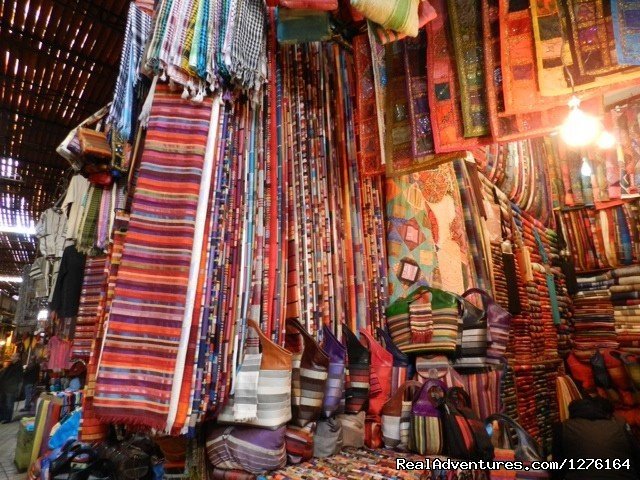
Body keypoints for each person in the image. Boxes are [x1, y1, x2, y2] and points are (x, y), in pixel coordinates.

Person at [552, 396, 640, 479]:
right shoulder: (620, 425)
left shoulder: (563, 427)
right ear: (608, 412)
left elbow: (558, 467)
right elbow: (637, 458)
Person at [0, 353, 24, 423]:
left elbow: (18, 379)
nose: (11, 357)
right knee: (2, 403)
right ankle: (2, 417)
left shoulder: (19, 366)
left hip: (10, 389)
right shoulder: (11, 365)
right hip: (4, 387)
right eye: (12, 356)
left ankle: (7, 418)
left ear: (17, 358)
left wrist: (17, 389)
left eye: (13, 356)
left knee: (9, 404)